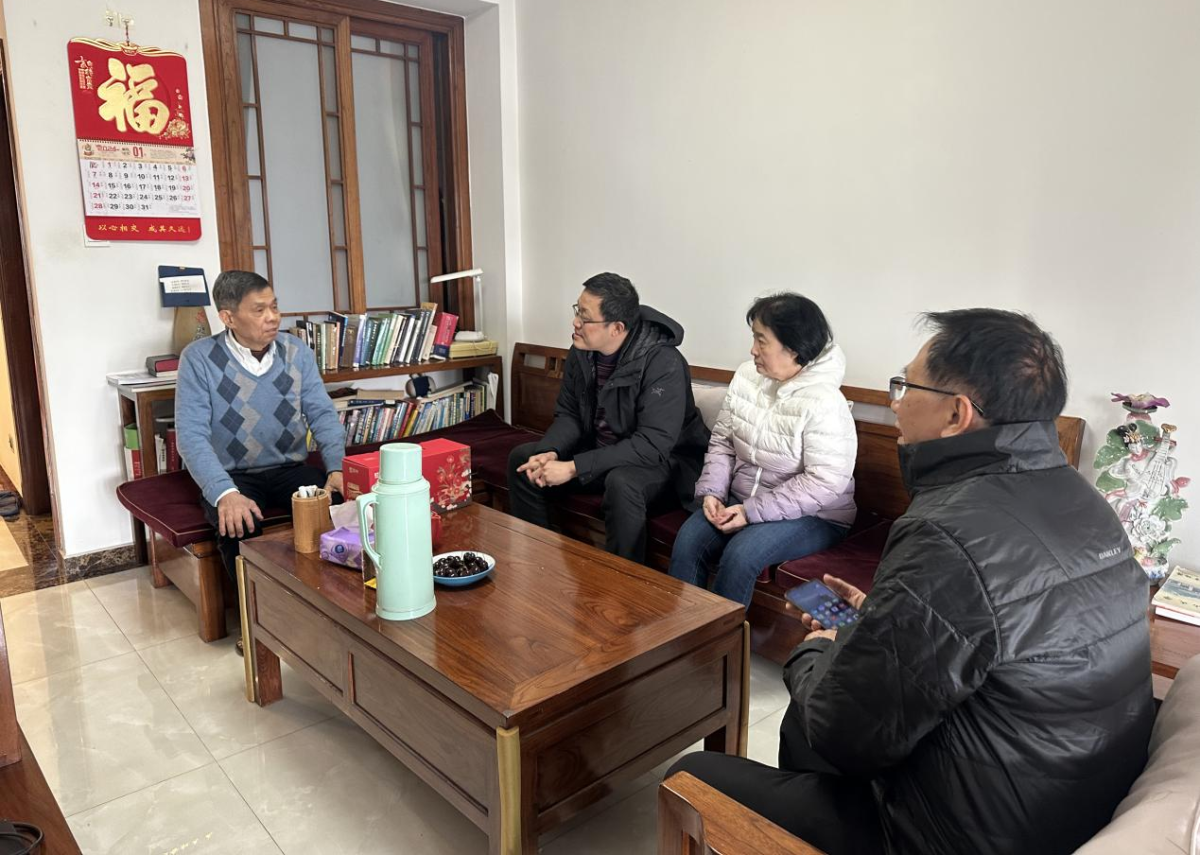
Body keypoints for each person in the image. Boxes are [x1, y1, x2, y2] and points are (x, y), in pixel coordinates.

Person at [668, 309, 1154, 855]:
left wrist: (818, 649)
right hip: (1067, 801)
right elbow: (987, 628)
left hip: (958, 833)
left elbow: (842, 733)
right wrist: (886, 618)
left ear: (956, 413)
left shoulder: (947, 530)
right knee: (803, 732)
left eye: (905, 386)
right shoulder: (1086, 501)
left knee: (693, 773)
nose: (895, 402)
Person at [176, 271, 345, 622]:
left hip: (289, 469)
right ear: (228, 317)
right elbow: (191, 436)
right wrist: (224, 493)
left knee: (338, 507)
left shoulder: (296, 351)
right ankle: (258, 625)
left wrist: (337, 468)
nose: (272, 317)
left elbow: (322, 414)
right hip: (234, 476)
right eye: (259, 310)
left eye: (274, 307)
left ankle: (331, 610)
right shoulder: (198, 359)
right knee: (237, 525)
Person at [506, 272, 709, 563]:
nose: (575, 322)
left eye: (585, 317)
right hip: (605, 453)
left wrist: (574, 467)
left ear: (616, 328)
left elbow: (652, 445)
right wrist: (550, 451)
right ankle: (540, 562)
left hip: (666, 463)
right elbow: (570, 414)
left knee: (622, 483)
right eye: (577, 310)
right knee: (525, 461)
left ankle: (622, 579)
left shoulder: (663, 363)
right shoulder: (582, 352)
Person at [668, 293, 856, 606]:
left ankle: (722, 637)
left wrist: (750, 512)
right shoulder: (746, 377)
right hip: (743, 500)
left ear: (793, 348)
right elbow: (723, 441)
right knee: (688, 540)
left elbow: (824, 482)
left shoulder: (824, 401)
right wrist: (713, 493)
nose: (752, 349)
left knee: (742, 554)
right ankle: (683, 629)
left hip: (815, 515)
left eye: (761, 340)